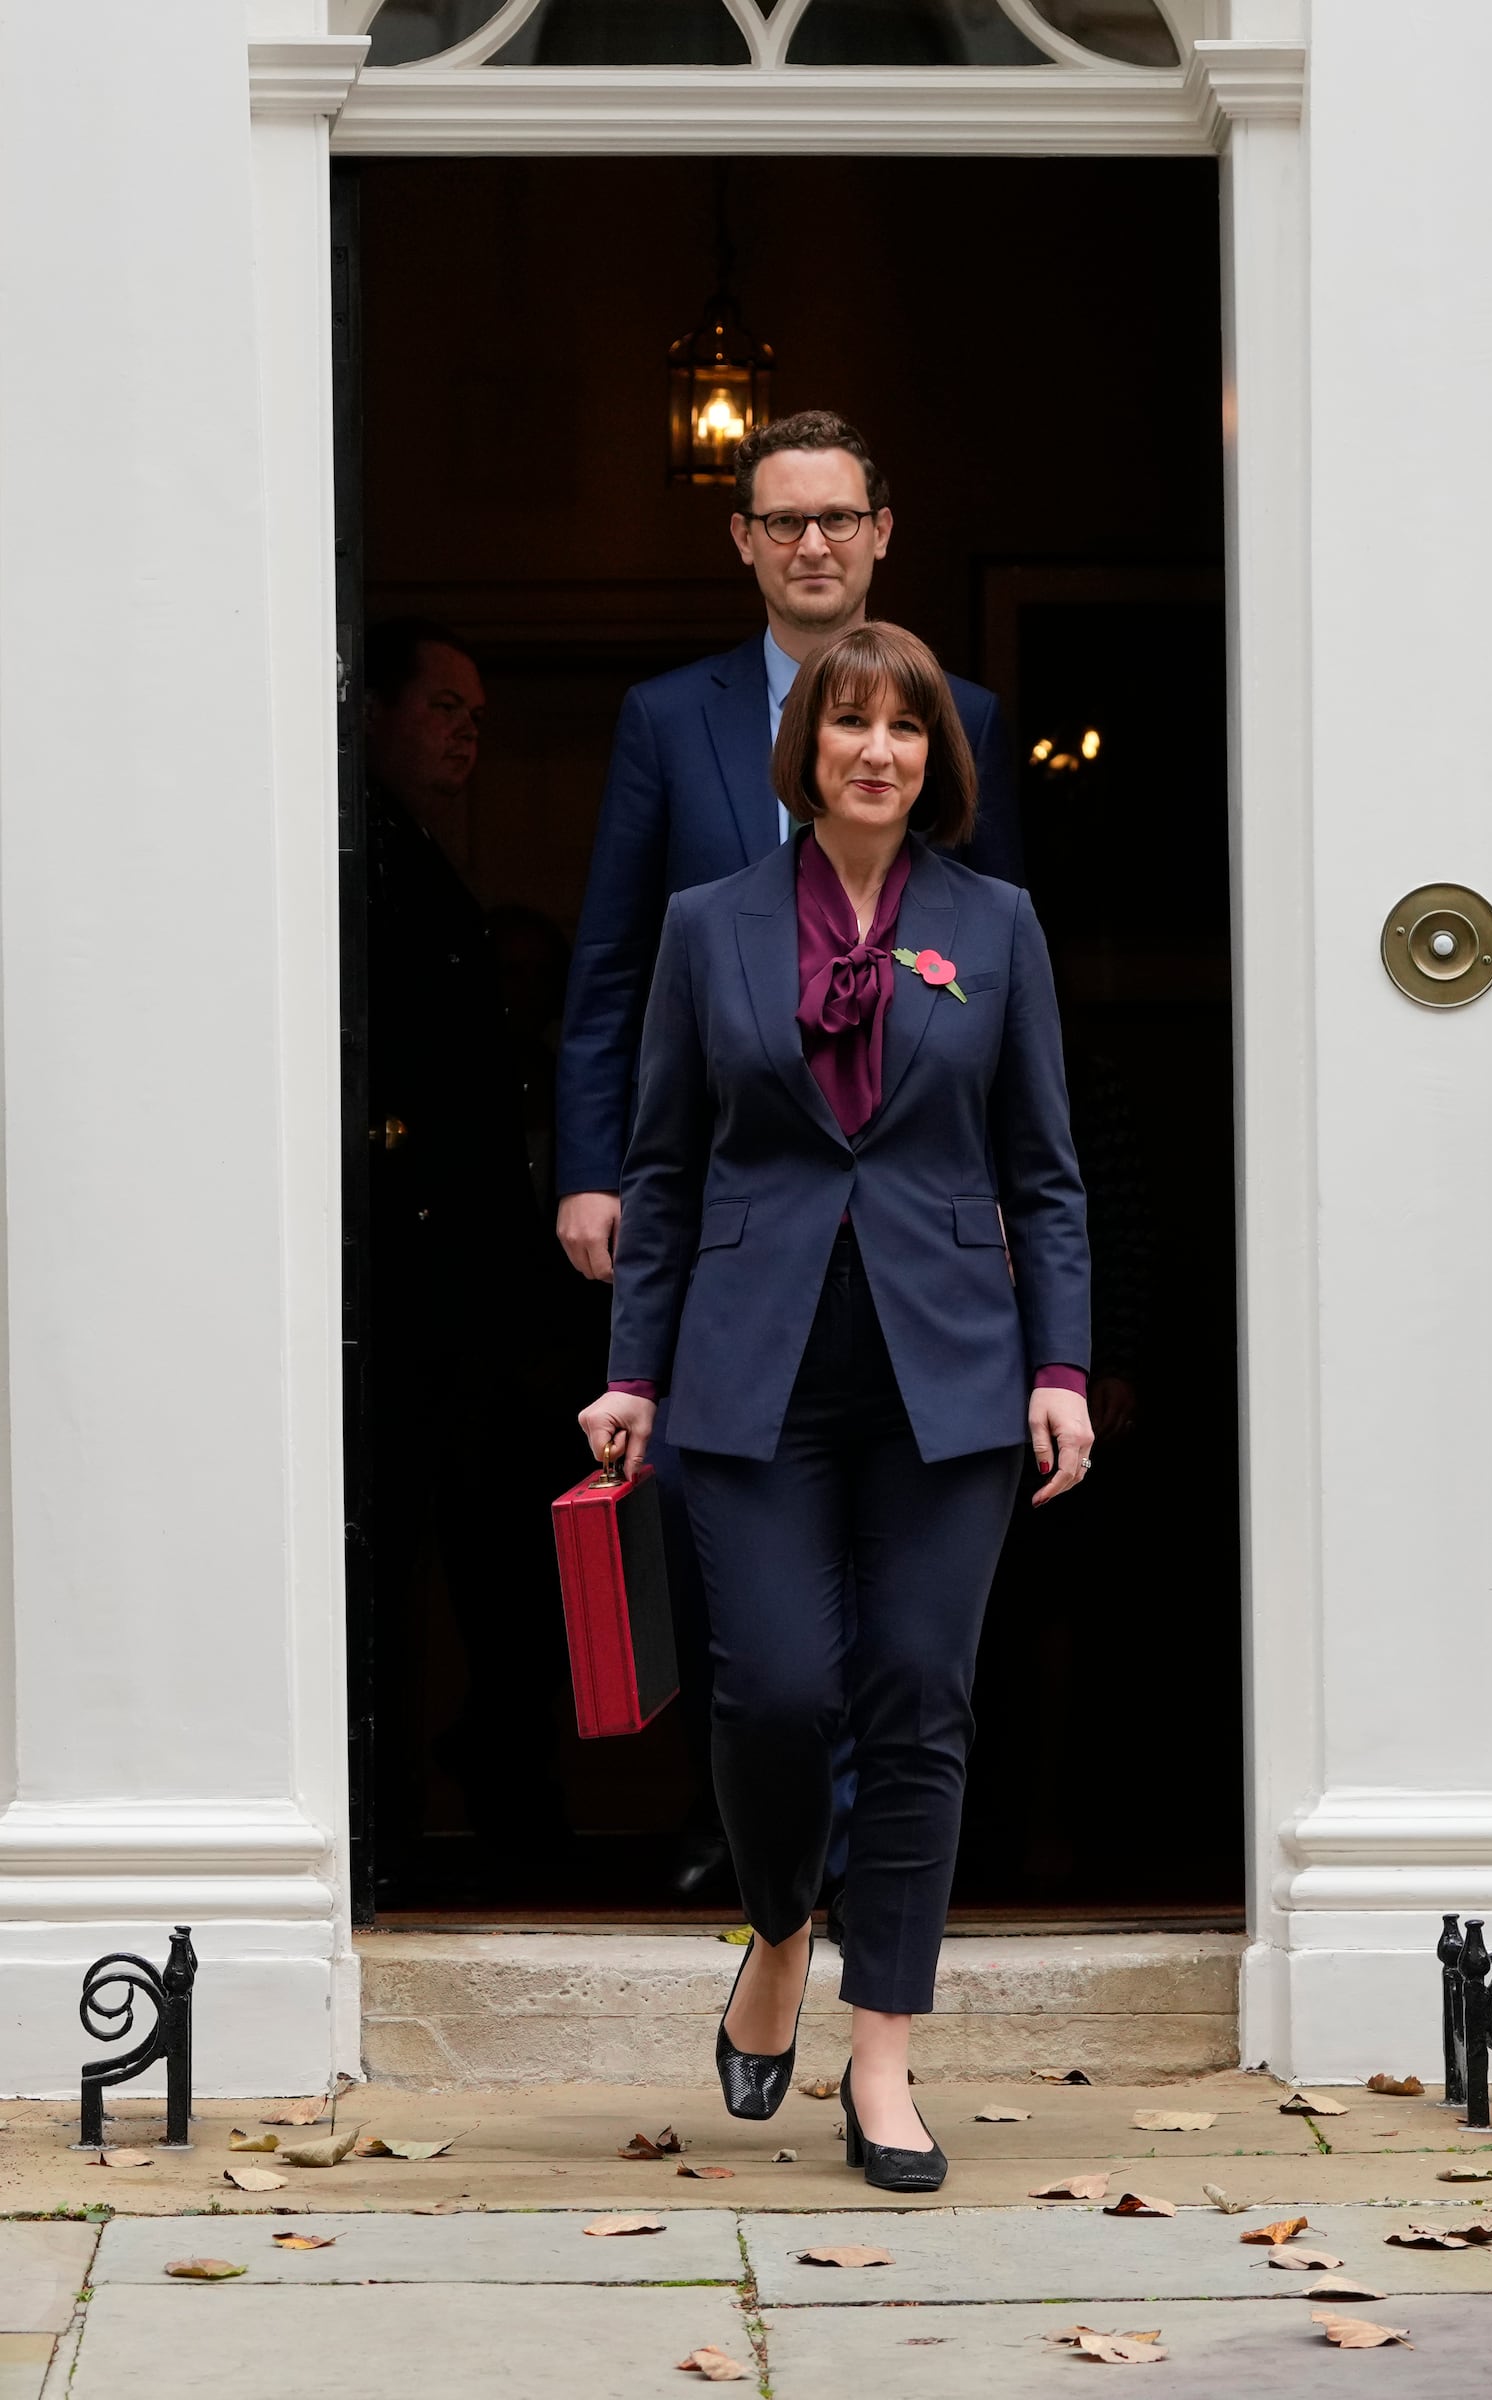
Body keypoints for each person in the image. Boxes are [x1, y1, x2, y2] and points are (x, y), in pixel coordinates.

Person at [577, 623, 1091, 2191]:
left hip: (949, 1372)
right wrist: (633, 1368)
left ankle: (882, 2060)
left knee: (920, 1699)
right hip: (751, 1369)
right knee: (780, 1696)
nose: (877, 751)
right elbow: (662, 1170)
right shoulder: (706, 923)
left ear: (940, 762)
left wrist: (1059, 1366)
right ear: (804, 754)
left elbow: (1043, 1174)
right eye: (848, 725)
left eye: (907, 731)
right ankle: (782, 1923)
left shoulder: (994, 925)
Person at [557, 409, 1025, 1903]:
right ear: (744, 541)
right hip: (727, 1199)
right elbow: (616, 963)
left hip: (912, 1217)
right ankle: (767, 1843)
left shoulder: (974, 718)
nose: (812, 543)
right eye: (783, 521)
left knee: (910, 1596)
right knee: (735, 1540)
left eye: (838, 518)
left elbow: (1006, 980)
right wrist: (593, 1169)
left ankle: (867, 1861)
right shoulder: (664, 717)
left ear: (883, 530)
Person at [365, 619, 567, 1877]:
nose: (466, 734)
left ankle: (510, 1817)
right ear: (372, 712)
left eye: (478, 716)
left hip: (480, 1294)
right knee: (398, 1568)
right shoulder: (363, 859)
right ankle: (394, 1832)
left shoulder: (418, 859)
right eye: (443, 706)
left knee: (504, 1569)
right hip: (412, 1287)